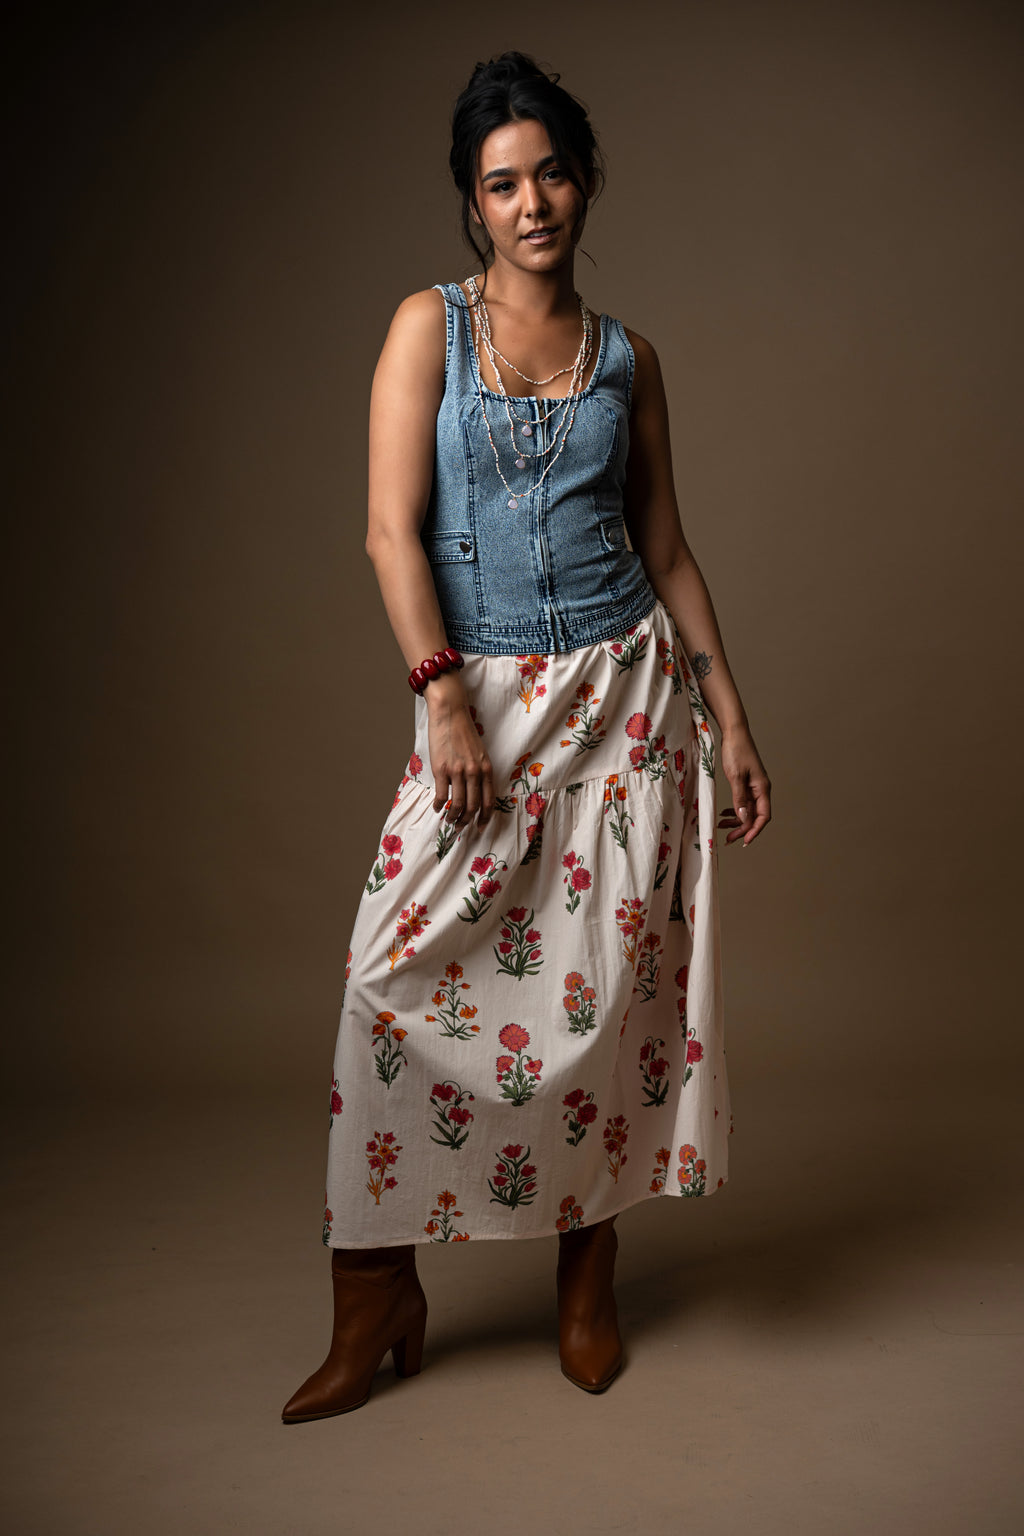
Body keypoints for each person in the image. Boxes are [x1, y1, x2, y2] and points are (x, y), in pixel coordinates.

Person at [282, 50, 771, 1423]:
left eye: (551, 169)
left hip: (626, 707)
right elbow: (390, 529)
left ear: (584, 177)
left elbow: (667, 548)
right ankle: (375, 1291)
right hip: (481, 705)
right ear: (473, 206)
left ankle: (586, 1270)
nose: (533, 199)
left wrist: (732, 721)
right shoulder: (425, 332)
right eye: (503, 182)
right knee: (388, 977)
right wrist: (441, 689)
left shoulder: (630, 359)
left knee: (600, 1006)